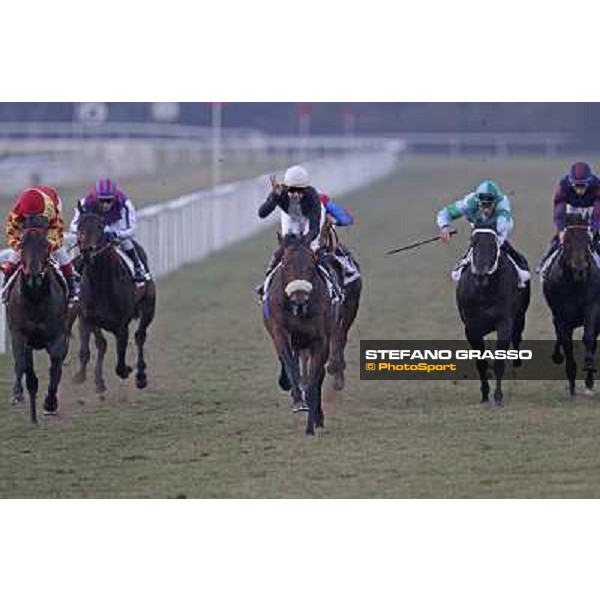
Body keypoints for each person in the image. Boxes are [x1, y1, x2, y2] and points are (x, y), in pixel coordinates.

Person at [255, 165, 342, 300]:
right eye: (292, 190)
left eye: (299, 190)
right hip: (290, 216)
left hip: (310, 218)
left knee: (313, 249)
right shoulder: (279, 192)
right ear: (286, 187)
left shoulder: (312, 197)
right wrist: (273, 198)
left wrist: (304, 243)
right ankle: (266, 285)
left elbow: (314, 229)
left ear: (305, 189)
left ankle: (332, 286)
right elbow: (262, 213)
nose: (295, 194)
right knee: (285, 249)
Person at [436, 179, 530, 287]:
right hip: (478, 227)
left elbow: (502, 226)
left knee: (494, 241)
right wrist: (444, 227)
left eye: (489, 205)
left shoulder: (502, 203)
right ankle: (465, 261)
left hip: (499, 228)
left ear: (495, 202)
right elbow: (445, 213)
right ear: (477, 201)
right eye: (483, 205)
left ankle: (519, 269)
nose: (486, 209)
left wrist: (489, 230)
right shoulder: (469, 202)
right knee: (478, 243)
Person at [2, 186, 79, 304]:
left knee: (60, 253)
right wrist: (18, 245)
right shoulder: (17, 212)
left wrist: (50, 244)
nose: (33, 219)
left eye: (36, 217)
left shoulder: (50, 208)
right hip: (27, 227)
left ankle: (72, 287)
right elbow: (11, 232)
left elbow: (57, 232)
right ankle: (6, 284)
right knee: (15, 256)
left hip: (49, 221)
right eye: (29, 217)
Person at [69, 178, 147, 284]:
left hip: (116, 226)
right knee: (85, 247)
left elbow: (131, 230)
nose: (105, 204)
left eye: (109, 200)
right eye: (102, 200)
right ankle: (73, 276)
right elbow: (73, 226)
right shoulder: (85, 202)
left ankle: (138, 267)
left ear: (114, 198)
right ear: (96, 198)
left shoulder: (124, 203)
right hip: (95, 228)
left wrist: (116, 234)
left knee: (126, 242)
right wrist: (83, 235)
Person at [537, 161, 600, 272]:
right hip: (572, 208)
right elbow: (559, 210)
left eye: (583, 186)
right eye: (577, 186)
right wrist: (561, 230)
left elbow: (597, 214)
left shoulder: (597, 186)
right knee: (560, 239)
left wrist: (593, 230)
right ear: (571, 183)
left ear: (589, 183)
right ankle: (545, 263)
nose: (580, 190)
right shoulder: (564, 186)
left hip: (592, 208)